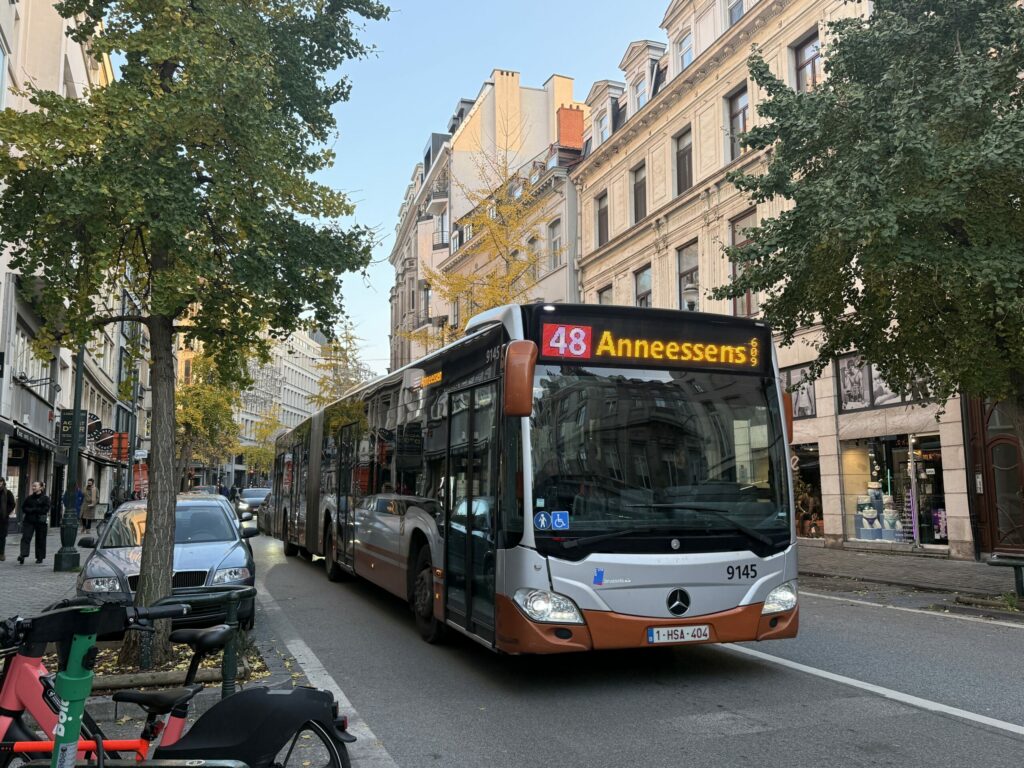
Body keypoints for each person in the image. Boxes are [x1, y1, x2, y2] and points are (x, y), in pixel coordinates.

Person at [18, 481, 50, 565]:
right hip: (29, 521)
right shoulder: (29, 498)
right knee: (26, 537)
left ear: (41, 487)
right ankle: (23, 555)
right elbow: (24, 508)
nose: (33, 487)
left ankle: (40, 557)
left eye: (35, 486)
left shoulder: (45, 498)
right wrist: (33, 510)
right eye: (33, 486)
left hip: (40, 521)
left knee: (40, 539)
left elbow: (45, 509)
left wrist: (33, 510)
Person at [0, 478, 15, 561]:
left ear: (3, 483)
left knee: (2, 537)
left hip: (2, 519)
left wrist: (6, 513)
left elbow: (12, 504)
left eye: (0, 482)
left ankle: (1, 553)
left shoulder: (7, 493)